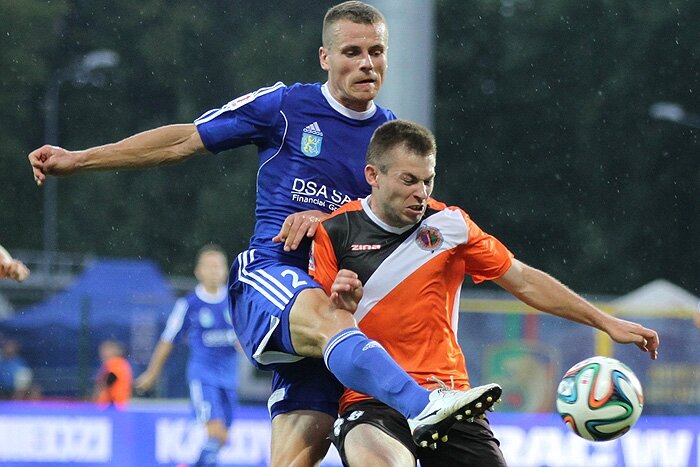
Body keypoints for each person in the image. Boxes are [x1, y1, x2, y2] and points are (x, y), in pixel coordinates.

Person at [28, 2, 500, 465]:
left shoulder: (390, 140)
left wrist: (327, 221)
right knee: (331, 324)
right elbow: (185, 139)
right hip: (273, 278)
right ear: (325, 57)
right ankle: (423, 406)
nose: (366, 63)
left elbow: (401, 231)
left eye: (376, 51)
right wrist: (81, 159)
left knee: (297, 454)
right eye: (352, 52)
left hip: (340, 307)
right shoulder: (285, 106)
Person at [309, 119, 661, 467]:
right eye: (409, 180)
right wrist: (341, 307)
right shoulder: (335, 231)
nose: (421, 193)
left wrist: (605, 322)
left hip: (447, 397)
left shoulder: (450, 225)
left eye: (428, 180)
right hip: (372, 399)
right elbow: (315, 328)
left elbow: (523, 280)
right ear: (373, 176)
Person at [135, 244, 238, 467]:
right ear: (198, 272)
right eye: (209, 266)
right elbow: (168, 339)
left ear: (226, 270)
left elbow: (248, 336)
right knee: (215, 432)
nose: (214, 271)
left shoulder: (235, 301)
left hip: (230, 378)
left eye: (219, 266)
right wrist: (152, 373)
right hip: (203, 377)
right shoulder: (189, 304)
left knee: (222, 438)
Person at [94, 339, 133, 408]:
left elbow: (110, 379)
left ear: (114, 350)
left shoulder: (115, 362)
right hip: (119, 403)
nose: (103, 352)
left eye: (107, 349)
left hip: (113, 402)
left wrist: (99, 388)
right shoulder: (122, 362)